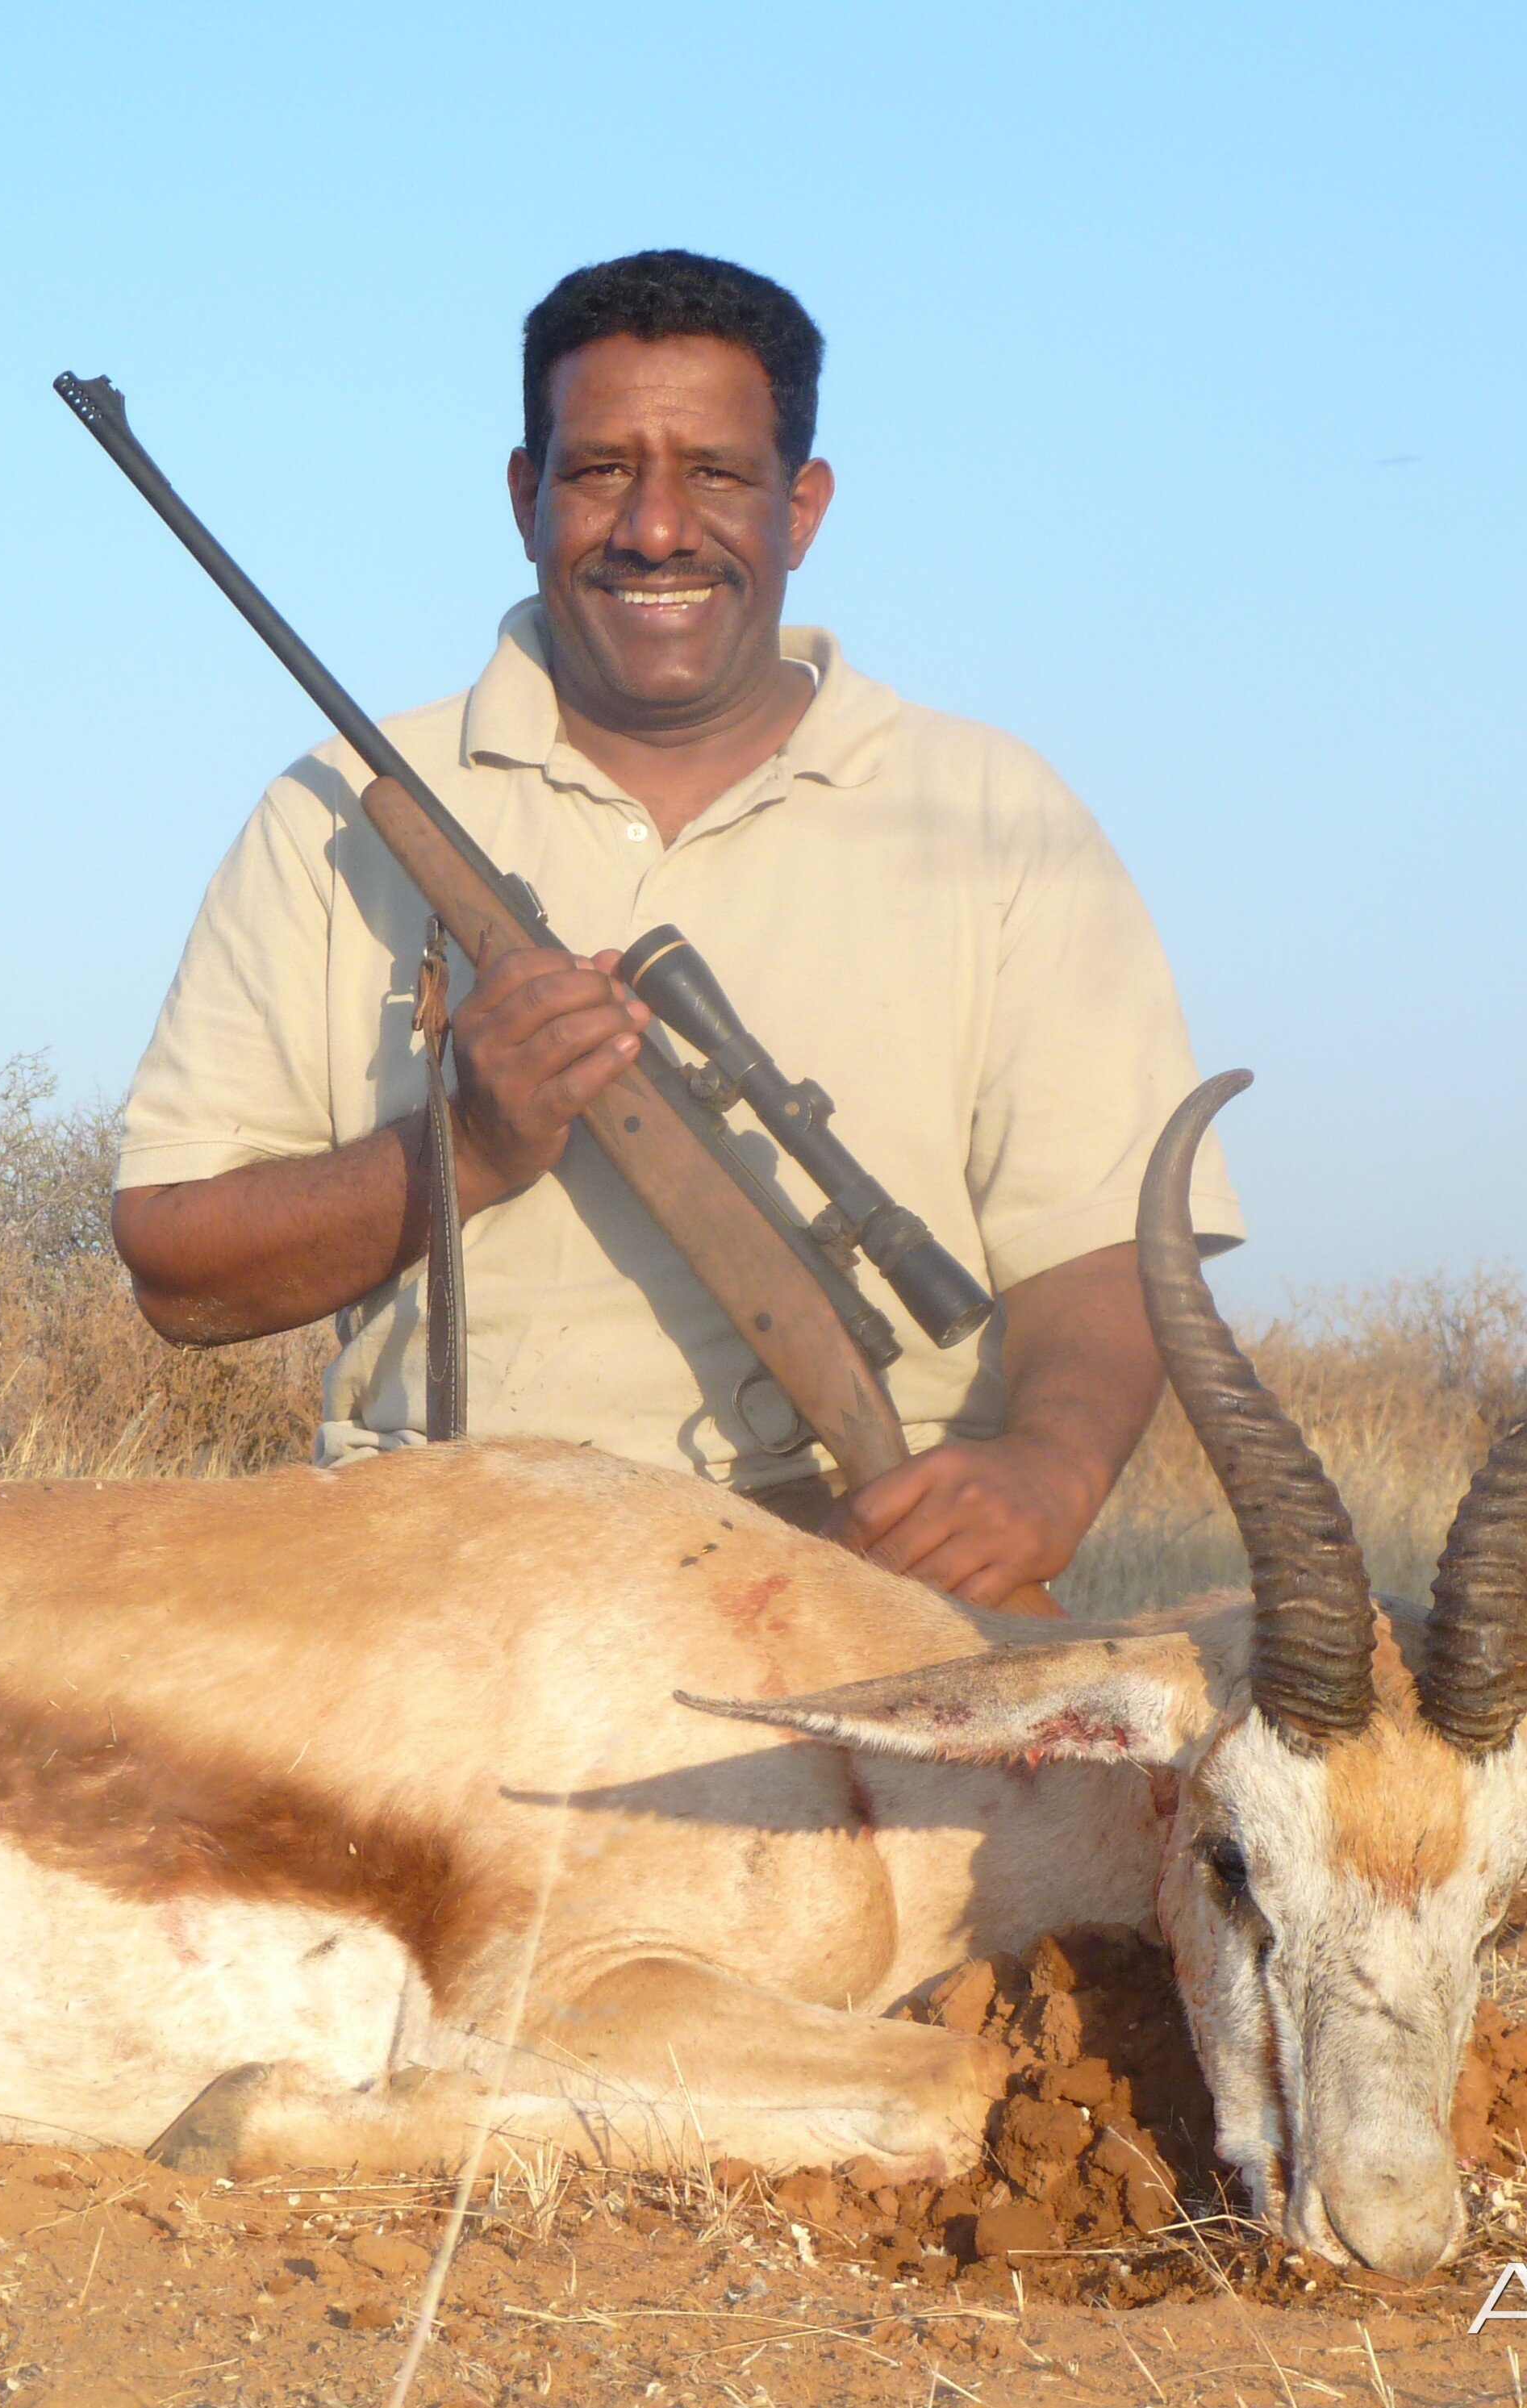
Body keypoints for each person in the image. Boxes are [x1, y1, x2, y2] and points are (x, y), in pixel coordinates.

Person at [111, 250, 1237, 1610]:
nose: (655, 530)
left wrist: (1048, 1472)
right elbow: (179, 1270)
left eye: (714, 474)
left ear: (801, 508)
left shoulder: (995, 807)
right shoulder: (334, 810)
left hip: (874, 1562)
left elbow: (1108, 1235)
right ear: (526, 496)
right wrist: (467, 1146)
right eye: (599, 473)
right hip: (441, 1572)